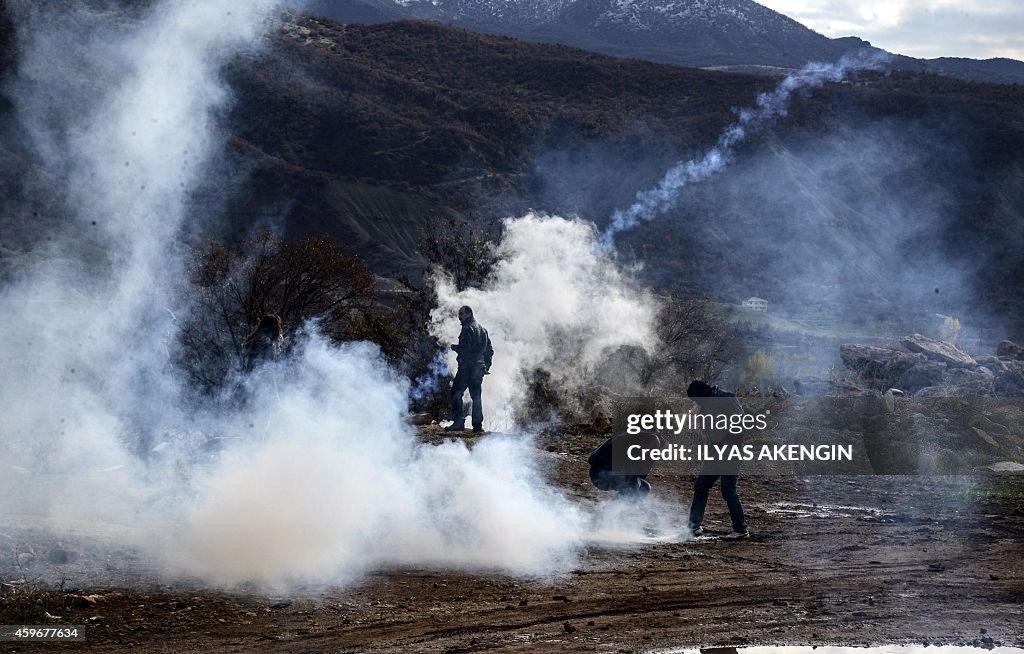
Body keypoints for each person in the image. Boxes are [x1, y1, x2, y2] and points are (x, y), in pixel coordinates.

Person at [686, 380, 749, 540]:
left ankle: (740, 529)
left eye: (696, 399)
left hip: (730, 450)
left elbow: (739, 423)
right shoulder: (707, 403)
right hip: (716, 451)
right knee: (701, 485)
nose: (696, 403)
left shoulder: (725, 398)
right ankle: (694, 527)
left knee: (729, 491)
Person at [446, 305, 493, 433]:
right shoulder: (483, 330)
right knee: (476, 396)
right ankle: (477, 426)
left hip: (467, 368)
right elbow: (490, 350)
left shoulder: (467, 328)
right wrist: (486, 366)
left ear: (468, 314)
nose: (459, 317)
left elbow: (465, 349)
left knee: (456, 393)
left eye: (461, 314)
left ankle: (458, 422)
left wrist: (454, 348)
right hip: (478, 369)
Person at [588, 431, 661, 499]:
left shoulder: (648, 454)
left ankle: (618, 509)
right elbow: (594, 460)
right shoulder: (623, 442)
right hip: (600, 475)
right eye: (649, 450)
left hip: (619, 476)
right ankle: (611, 508)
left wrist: (637, 500)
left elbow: (640, 477)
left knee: (644, 487)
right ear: (643, 443)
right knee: (633, 484)